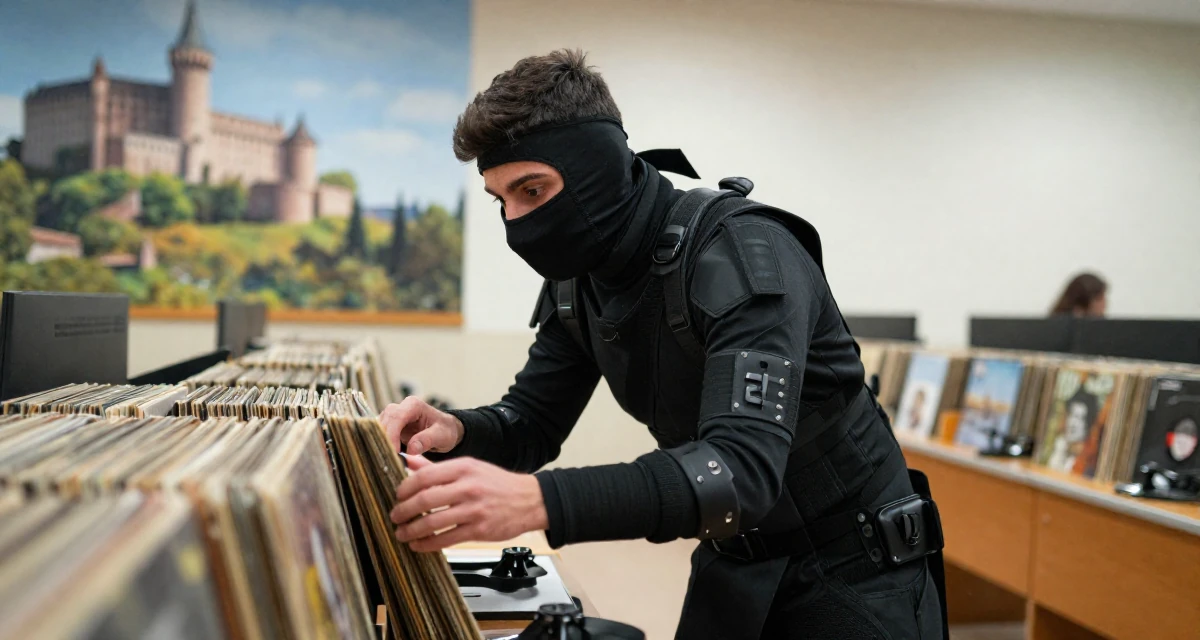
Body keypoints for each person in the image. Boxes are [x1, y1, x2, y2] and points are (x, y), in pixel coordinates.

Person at [381, 49, 945, 639]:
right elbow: (530, 424)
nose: (518, 223)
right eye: (502, 202)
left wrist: (539, 501)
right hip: (733, 565)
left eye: (532, 190)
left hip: (854, 579)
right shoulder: (580, 280)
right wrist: (456, 432)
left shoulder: (742, 254)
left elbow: (740, 470)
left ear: (597, 167)